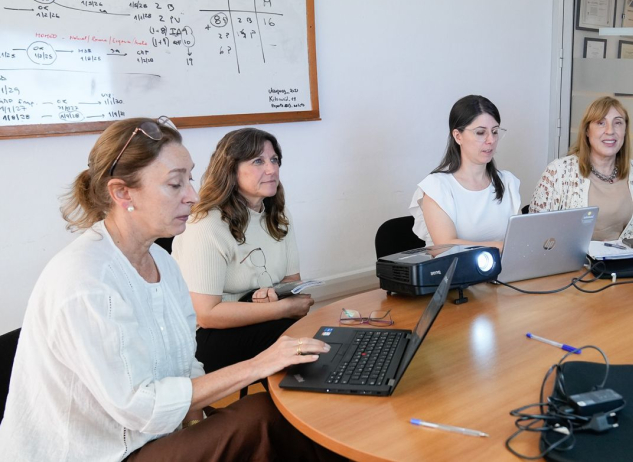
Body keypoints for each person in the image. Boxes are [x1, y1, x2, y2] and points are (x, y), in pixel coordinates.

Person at [0, 118, 336, 461]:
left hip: (155, 436)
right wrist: (259, 364)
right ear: (122, 193)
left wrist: (198, 429)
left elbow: (184, 362)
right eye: (175, 184)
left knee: (268, 419)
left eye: (189, 178)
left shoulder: (161, 260)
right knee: (265, 420)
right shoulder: (85, 279)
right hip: (106, 452)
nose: (192, 196)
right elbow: (140, 408)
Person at [172, 128, 314, 373]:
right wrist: (282, 308)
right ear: (230, 169)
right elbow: (206, 314)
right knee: (298, 348)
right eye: (258, 161)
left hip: (264, 319)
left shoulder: (278, 214)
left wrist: (276, 298)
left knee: (312, 338)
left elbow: (292, 282)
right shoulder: (206, 224)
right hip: (206, 336)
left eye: (274, 160)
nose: (271, 169)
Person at [530, 96, 633, 241]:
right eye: (601, 123)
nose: (610, 131)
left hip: (623, 261)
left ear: (625, 130)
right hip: (573, 262)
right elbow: (537, 233)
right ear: (587, 131)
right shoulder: (559, 172)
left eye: (618, 123)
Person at [409, 95, 521, 249]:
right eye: (480, 133)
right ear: (458, 136)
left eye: (495, 132)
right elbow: (445, 245)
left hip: (506, 271)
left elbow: (519, 239)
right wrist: (500, 246)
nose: (491, 140)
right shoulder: (438, 187)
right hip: (457, 271)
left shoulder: (507, 182)